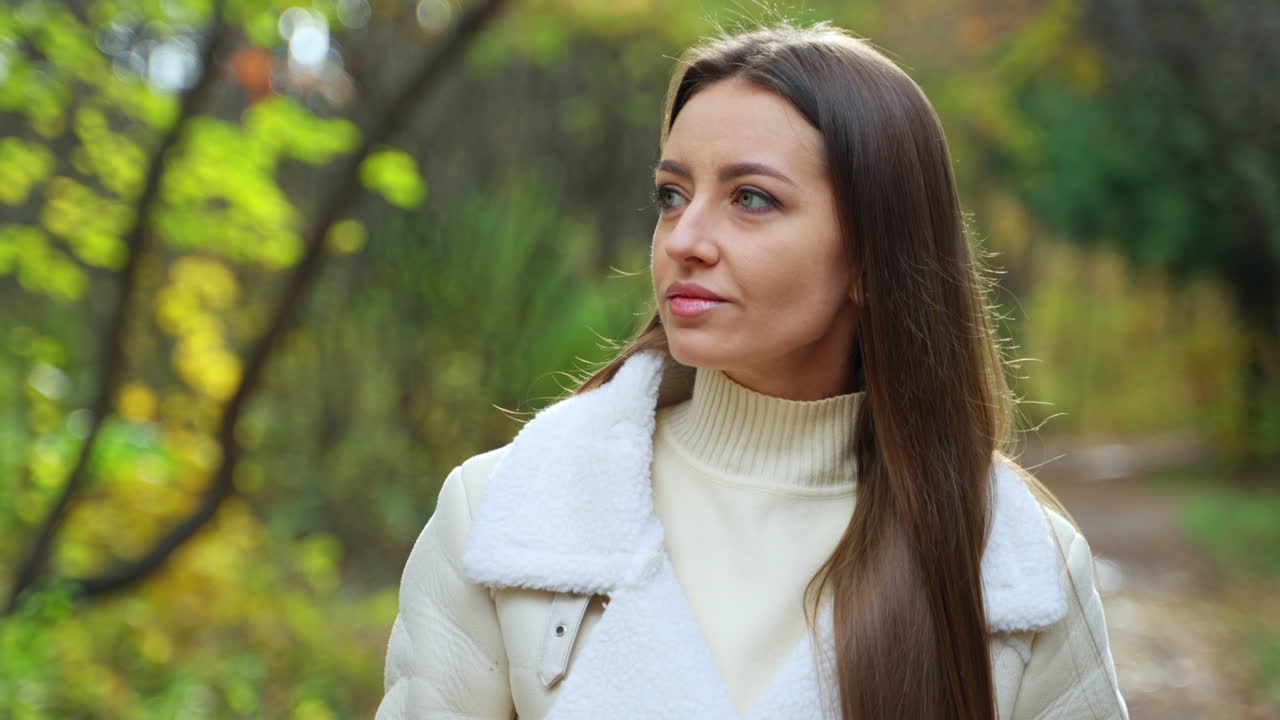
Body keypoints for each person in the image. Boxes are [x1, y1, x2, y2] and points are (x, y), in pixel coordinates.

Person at [376, 21, 1128, 720]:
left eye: (752, 199)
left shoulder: (1013, 564)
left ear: (872, 256)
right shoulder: (504, 513)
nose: (686, 239)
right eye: (672, 195)